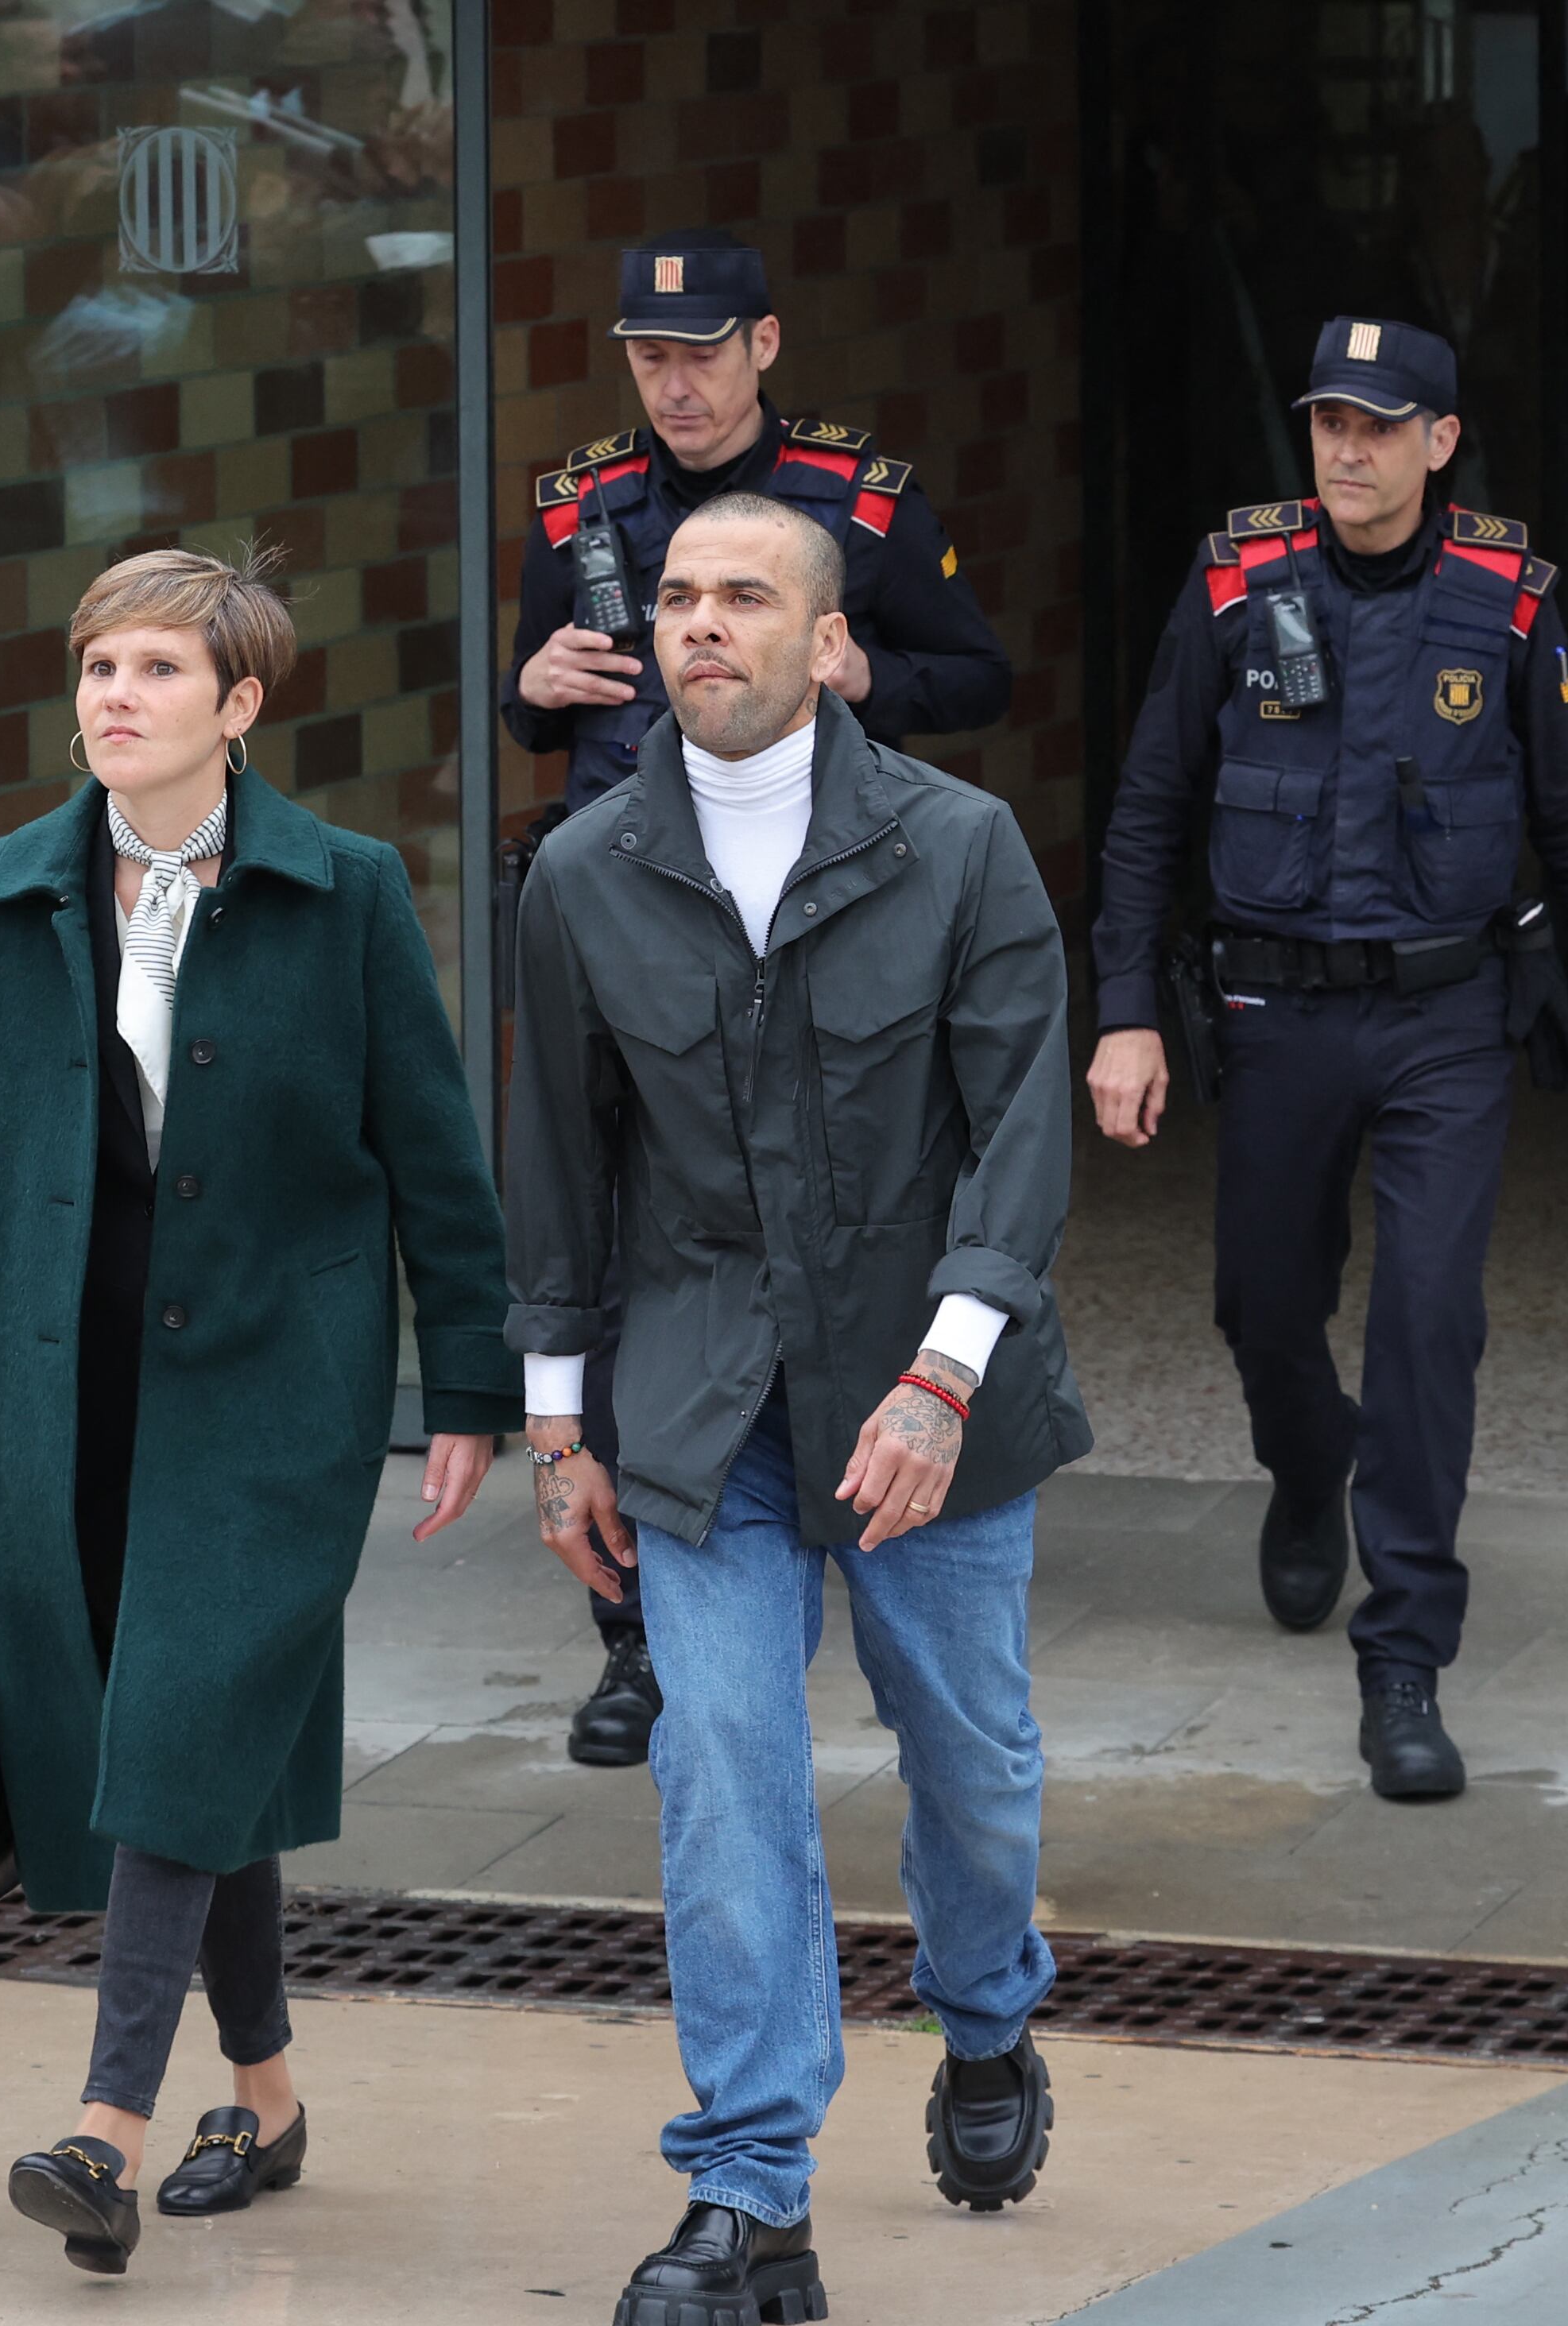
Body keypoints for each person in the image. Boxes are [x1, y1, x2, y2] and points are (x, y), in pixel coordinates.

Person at [0, 548, 518, 2277]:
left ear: (237, 707)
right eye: (96, 664)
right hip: (57, 1374)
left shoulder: (349, 890)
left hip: (274, 1382)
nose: (112, 696)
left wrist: (469, 1379)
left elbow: (436, 1159)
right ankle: (272, 2089)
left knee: (174, 1705)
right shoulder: (6, 892)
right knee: (168, 1724)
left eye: (156, 669)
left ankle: (105, 2128)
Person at [505, 493, 1090, 2326]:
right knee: (724, 1765)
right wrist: (556, 1421)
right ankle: (746, 2187)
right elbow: (556, 1164)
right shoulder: (584, 871)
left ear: (831, 646)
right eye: (675, 595)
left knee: (972, 1766)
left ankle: (986, 2007)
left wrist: (942, 1371)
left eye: (745, 596)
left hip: (928, 1387)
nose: (698, 623)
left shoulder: (961, 848)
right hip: (701, 1398)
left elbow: (1019, 1135)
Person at [1086, 316, 1568, 1803]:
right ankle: (1305, 1461)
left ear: (1439, 442)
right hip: (1275, 1013)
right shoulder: (1234, 580)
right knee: (1262, 1300)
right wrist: (1126, 1006)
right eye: (1328, 423)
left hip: (1445, 1018)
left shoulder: (1507, 599)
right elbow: (1152, 800)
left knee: (1427, 1313)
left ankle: (1404, 1652)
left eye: (1376, 426)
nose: (1345, 451)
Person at [502, 230, 1014, 1773]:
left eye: (701, 349)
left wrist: (863, 684)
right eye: (647, 352)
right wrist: (527, 690)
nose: (673, 379)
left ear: (764, 346)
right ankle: (638, 1639)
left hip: (824, 906)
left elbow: (975, 674)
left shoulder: (860, 505)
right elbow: (523, 705)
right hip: (632, 909)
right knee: (623, 1227)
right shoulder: (576, 508)